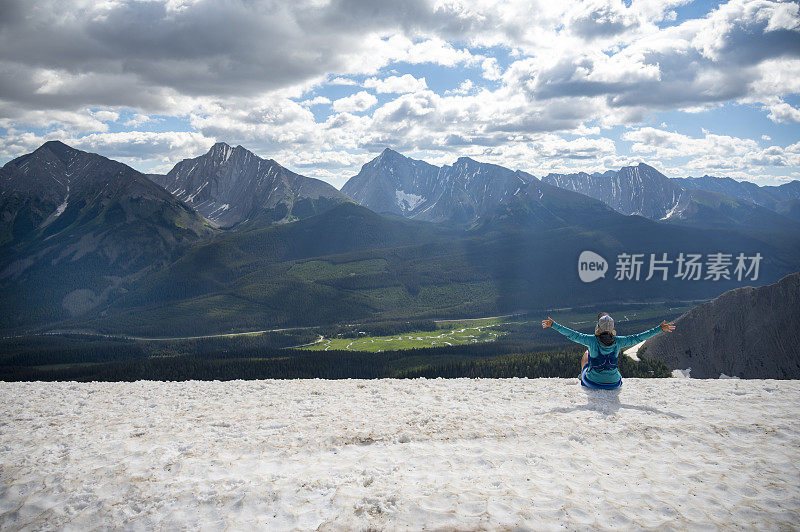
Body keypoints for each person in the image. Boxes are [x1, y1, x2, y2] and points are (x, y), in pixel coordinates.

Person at [541, 312, 676, 389]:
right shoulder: (619, 341)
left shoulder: (591, 340)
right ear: (612, 328)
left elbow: (572, 334)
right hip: (614, 383)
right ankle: (608, 375)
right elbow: (638, 337)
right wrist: (659, 328)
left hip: (592, 382)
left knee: (586, 354)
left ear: (598, 326)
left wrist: (554, 325)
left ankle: (582, 376)